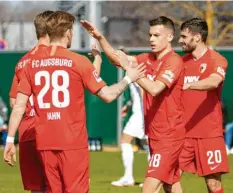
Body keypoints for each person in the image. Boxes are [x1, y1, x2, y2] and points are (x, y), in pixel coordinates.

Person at [4, 11, 145, 193]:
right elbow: (108, 95)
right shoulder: (77, 61)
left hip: (45, 142)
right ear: (68, 33)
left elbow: (18, 106)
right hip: (72, 142)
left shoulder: (31, 64)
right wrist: (128, 79)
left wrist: (9, 140)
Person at [81, 16, 185, 193]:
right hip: (155, 133)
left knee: (148, 189)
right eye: (150, 35)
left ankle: (128, 176)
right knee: (171, 186)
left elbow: (154, 88)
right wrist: (100, 38)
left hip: (170, 136)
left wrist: (133, 73)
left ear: (170, 36)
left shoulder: (173, 61)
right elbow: (116, 58)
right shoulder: (147, 58)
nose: (151, 39)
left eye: (157, 35)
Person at [167, 18, 230, 193]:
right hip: (182, 134)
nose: (180, 40)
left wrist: (188, 85)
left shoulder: (217, 59)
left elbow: (214, 81)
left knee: (213, 185)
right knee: (168, 178)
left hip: (209, 133)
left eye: (184, 36)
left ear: (197, 37)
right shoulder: (180, 63)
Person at [8, 10, 54, 193]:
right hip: (52, 132)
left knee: (37, 188)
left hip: (27, 133)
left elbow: (14, 101)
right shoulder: (55, 58)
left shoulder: (22, 62)